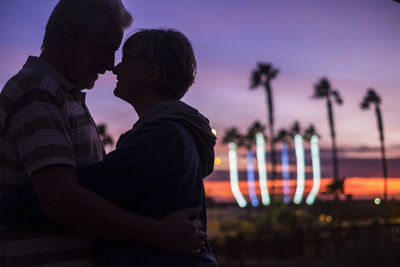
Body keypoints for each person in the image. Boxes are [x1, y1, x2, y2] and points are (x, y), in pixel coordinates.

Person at [0, 0, 205, 266]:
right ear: (75, 33)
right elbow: (61, 201)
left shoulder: (63, 97)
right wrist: (157, 233)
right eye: (107, 48)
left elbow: (80, 194)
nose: (111, 65)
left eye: (119, 54)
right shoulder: (38, 92)